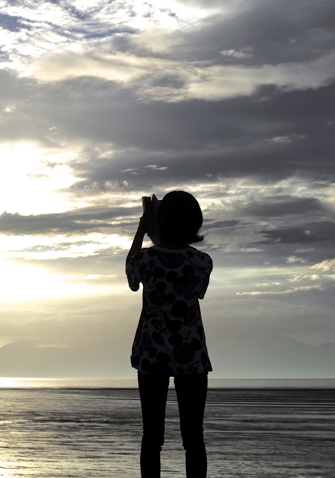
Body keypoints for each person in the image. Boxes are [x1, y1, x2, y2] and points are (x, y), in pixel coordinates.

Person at [126, 190, 212, 478]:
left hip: (152, 353)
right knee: (194, 438)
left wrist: (143, 229)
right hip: (192, 354)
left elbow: (132, 278)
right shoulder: (202, 262)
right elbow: (196, 292)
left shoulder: (146, 260)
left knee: (152, 437)